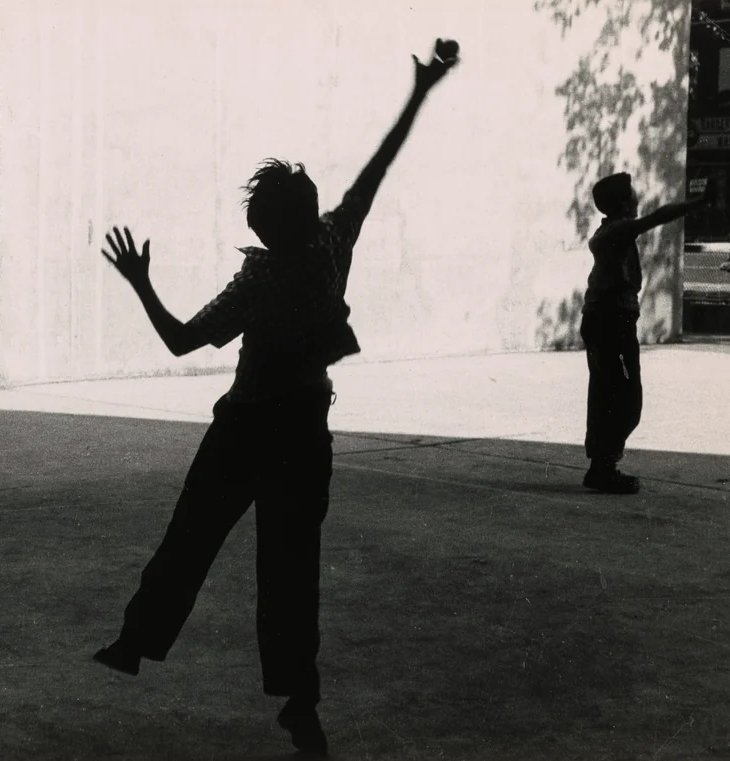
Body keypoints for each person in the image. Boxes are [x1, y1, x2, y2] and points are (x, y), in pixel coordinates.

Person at [92, 40, 459, 755]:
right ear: (310, 210)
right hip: (302, 432)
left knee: (190, 538)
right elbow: (380, 165)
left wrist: (139, 280)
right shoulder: (331, 243)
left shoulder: (257, 281)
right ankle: (298, 700)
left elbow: (178, 340)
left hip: (246, 429)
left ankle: (138, 640)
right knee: (290, 571)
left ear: (263, 229)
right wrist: (422, 91)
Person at [581, 172, 710, 494]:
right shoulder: (618, 230)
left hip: (603, 320)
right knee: (625, 399)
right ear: (623, 203)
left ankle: (601, 465)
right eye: (633, 195)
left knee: (605, 394)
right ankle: (604, 466)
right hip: (612, 323)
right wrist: (698, 203)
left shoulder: (608, 232)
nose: (638, 200)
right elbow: (657, 217)